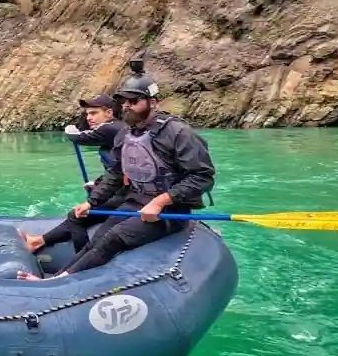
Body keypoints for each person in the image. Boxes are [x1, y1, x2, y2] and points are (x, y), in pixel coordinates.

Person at [19, 74, 216, 280]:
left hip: (170, 210)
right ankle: (58, 276)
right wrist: (91, 202)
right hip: (136, 201)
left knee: (113, 237)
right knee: (98, 239)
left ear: (152, 102)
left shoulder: (178, 133)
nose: (127, 106)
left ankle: (57, 281)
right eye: (124, 102)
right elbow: (115, 175)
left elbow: (202, 177)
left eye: (134, 101)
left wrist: (160, 202)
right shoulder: (125, 135)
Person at [19, 94, 128, 253]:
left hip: (127, 194)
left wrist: (70, 131)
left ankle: (83, 255)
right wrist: (97, 183)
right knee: (77, 215)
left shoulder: (110, 128)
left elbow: (78, 138)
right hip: (121, 189)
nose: (89, 118)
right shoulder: (118, 128)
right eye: (87, 114)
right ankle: (38, 241)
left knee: (76, 217)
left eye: (94, 113)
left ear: (109, 113)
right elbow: (117, 169)